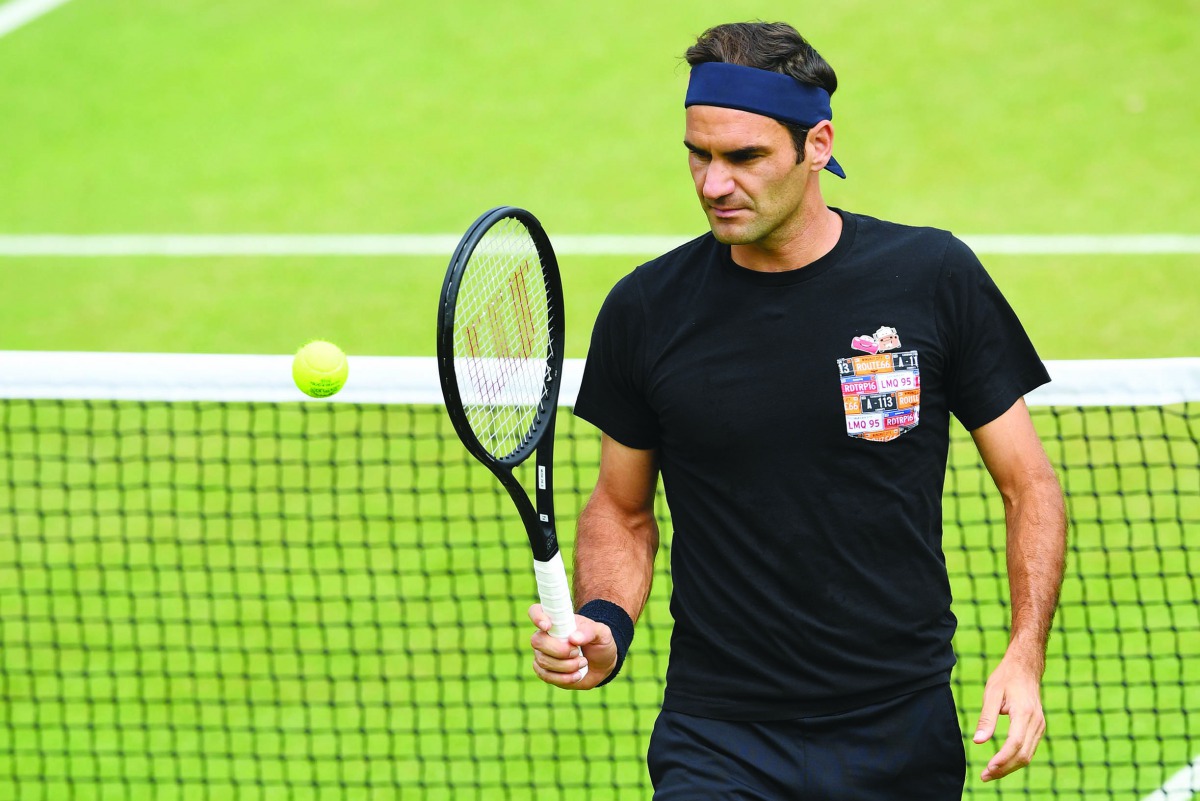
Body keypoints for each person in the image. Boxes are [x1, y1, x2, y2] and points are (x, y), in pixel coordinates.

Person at [528, 20, 1067, 800]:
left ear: (817, 145)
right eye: (698, 153)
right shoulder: (648, 308)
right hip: (718, 734)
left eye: (744, 157)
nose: (714, 183)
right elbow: (621, 507)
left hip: (899, 726)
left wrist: (1025, 652)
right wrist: (605, 619)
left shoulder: (932, 277)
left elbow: (1030, 484)